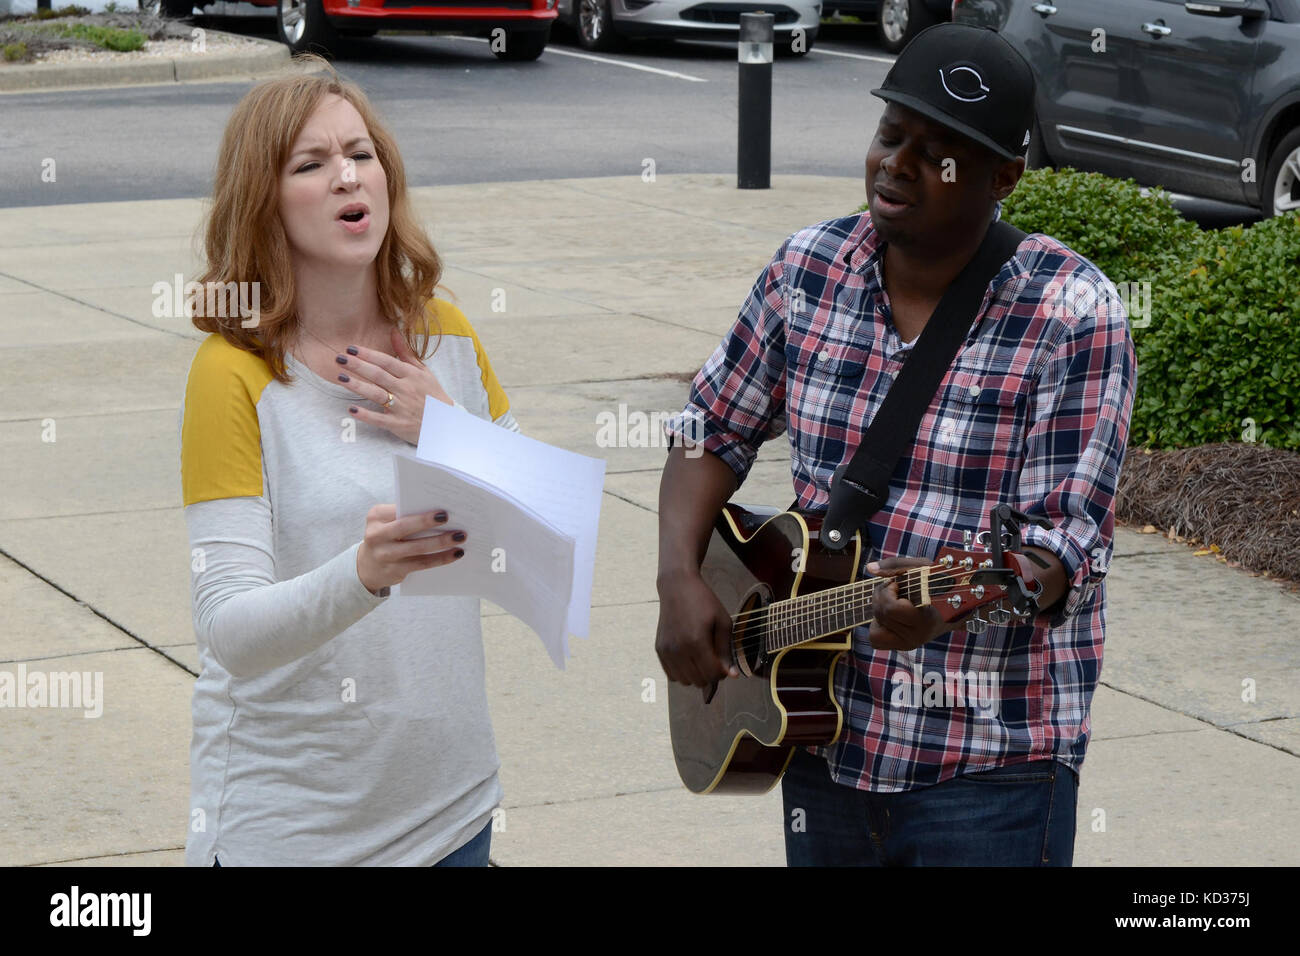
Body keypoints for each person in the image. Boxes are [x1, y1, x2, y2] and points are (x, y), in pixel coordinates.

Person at [656, 23, 1136, 866]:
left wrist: (950, 600)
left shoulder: (1074, 314)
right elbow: (709, 429)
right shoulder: (808, 269)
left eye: (941, 153)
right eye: (891, 135)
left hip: (990, 768)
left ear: (1005, 178)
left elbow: (1062, 545)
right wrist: (677, 578)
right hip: (820, 748)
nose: (898, 165)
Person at [179, 63, 518, 866]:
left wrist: (449, 430)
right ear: (264, 201)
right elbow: (230, 630)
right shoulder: (235, 371)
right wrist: (363, 573)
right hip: (297, 830)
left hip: (454, 811)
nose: (346, 175)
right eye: (310, 163)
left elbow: (539, 532)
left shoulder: (449, 335)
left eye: (360, 154)